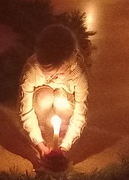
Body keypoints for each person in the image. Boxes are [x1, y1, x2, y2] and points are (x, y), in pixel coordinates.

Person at [19, 24, 88, 158]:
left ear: (70, 64)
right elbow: (25, 110)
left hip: (65, 99)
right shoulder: (32, 69)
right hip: (42, 98)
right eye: (47, 74)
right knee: (44, 97)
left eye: (58, 74)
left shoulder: (78, 73)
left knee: (61, 100)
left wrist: (65, 146)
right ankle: (41, 125)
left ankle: (64, 127)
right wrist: (39, 144)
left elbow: (80, 114)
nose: (52, 79)